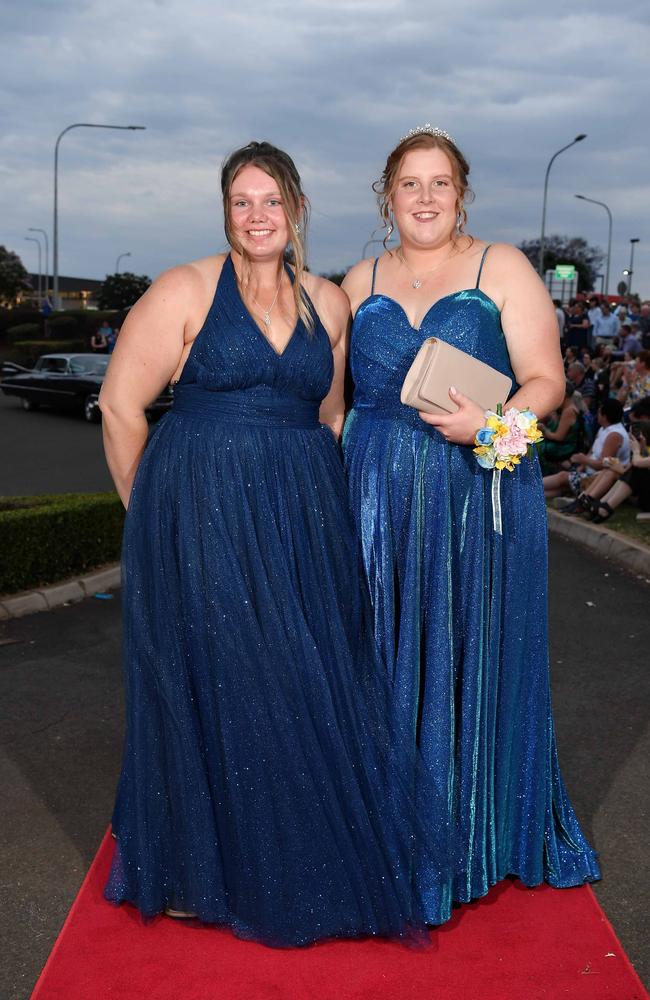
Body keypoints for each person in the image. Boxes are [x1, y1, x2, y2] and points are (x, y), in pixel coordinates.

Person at [98, 140, 448, 946]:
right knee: (217, 675)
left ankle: (287, 856)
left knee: (296, 675)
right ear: (226, 211)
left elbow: (327, 415)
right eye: (241, 202)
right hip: (200, 507)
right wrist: (147, 515)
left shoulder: (328, 302)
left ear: (296, 209)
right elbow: (121, 406)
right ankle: (198, 869)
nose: (258, 216)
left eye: (272, 201)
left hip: (299, 515)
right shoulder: (184, 288)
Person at [341, 125, 599, 925]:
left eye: (440, 182)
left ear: (462, 193)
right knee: (376, 656)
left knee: (467, 649)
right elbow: (334, 397)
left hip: (474, 496)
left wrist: (492, 428)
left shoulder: (504, 267)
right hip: (374, 499)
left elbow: (547, 381)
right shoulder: (356, 279)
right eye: (410, 183)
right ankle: (384, 829)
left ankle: (472, 835)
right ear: (387, 196)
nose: (425, 197)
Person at [544, 398, 630, 500]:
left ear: (605, 416)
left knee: (563, 476)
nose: (597, 415)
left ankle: (527, 488)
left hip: (598, 479)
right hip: (590, 472)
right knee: (563, 487)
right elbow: (591, 452)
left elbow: (604, 465)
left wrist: (583, 460)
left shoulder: (614, 435)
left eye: (599, 412)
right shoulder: (604, 428)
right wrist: (582, 466)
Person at [537, 380, 584, 475]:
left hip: (565, 447)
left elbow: (559, 437)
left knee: (537, 447)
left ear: (565, 394)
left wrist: (544, 429)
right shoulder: (567, 408)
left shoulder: (569, 411)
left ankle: (542, 475)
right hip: (564, 443)